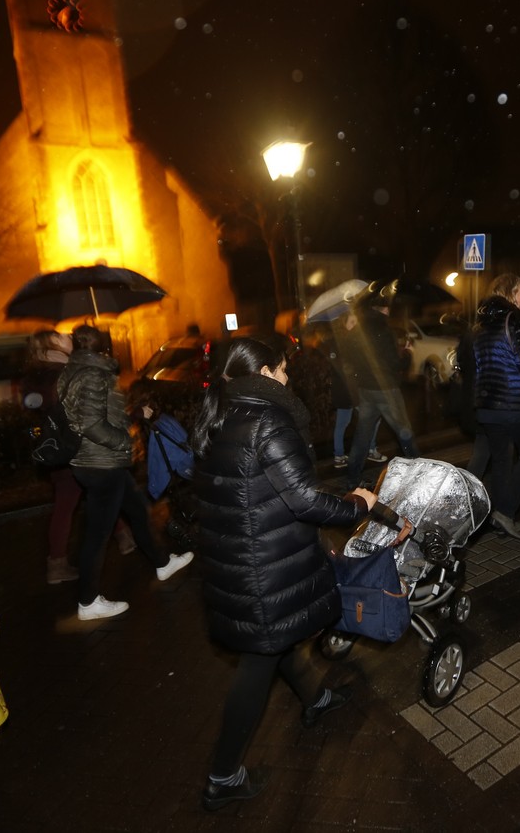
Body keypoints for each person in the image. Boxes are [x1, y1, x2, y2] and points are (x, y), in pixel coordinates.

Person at [189, 337, 376, 811]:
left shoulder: (221, 412)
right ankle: (223, 776)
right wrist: (358, 505)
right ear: (266, 373)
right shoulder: (267, 419)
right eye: (284, 369)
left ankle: (316, 699)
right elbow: (305, 500)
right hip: (263, 564)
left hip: (238, 555)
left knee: (278, 640)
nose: (289, 377)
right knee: (259, 660)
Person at [57, 324, 193, 621]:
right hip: (101, 463)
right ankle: (88, 601)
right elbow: (92, 424)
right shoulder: (93, 374)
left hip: (98, 462)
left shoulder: (74, 371)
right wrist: (122, 440)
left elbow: (96, 416)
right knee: (98, 534)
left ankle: (163, 562)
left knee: (139, 512)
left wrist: (133, 415)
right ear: (103, 347)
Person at [21, 329, 135, 584]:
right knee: (77, 501)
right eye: (60, 337)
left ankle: (124, 537)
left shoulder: (36, 374)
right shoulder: (61, 373)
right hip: (75, 447)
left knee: (93, 494)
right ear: (50, 345)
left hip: (59, 448)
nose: (67, 338)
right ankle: (60, 564)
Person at [472, 273, 520, 539]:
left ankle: (502, 516)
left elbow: (477, 365)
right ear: (512, 293)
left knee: (501, 461)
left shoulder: (479, 323)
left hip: (488, 405)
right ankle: (505, 511)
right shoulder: (512, 318)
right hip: (515, 403)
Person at [337, 291, 418, 490]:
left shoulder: (359, 329)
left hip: (366, 389)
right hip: (386, 389)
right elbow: (394, 363)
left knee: (362, 435)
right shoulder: (383, 329)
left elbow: (350, 357)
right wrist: (407, 354)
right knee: (404, 431)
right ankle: (419, 474)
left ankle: (352, 479)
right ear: (385, 309)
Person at [321, 326, 385, 468]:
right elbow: (347, 371)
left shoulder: (343, 345)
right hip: (350, 393)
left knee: (346, 423)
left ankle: (341, 455)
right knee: (371, 418)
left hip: (350, 392)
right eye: (351, 322)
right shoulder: (341, 346)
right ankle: (368, 450)